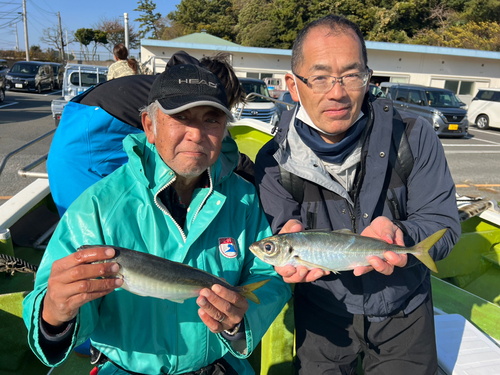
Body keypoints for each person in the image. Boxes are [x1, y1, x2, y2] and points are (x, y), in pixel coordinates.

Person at [23, 63, 291, 375]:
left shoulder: (244, 200)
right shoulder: (97, 206)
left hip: (220, 367)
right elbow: (54, 304)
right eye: (181, 117)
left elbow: (270, 276)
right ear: (149, 126)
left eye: (211, 119)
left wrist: (239, 322)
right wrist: (54, 314)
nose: (196, 134)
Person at [254, 14, 461, 375]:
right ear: (292, 84)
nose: (338, 92)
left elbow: (444, 223)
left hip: (405, 311)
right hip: (323, 316)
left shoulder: (413, 136)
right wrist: (286, 233)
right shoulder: (273, 161)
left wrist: (404, 236)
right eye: (320, 77)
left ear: (368, 78)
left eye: (351, 75)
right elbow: (282, 226)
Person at [47, 51, 246, 217]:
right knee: (96, 233)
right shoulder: (175, 92)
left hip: (82, 123)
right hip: (83, 148)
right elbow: (225, 155)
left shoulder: (172, 81)